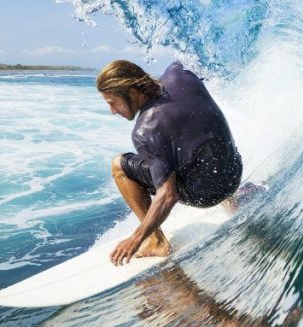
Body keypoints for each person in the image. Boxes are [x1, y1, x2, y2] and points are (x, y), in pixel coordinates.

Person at [97, 59, 243, 265]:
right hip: (233, 174)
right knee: (191, 136)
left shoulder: (144, 131)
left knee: (118, 165)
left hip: (206, 195)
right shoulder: (179, 74)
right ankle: (233, 200)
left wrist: (135, 238)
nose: (112, 110)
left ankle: (156, 242)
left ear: (131, 93)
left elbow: (167, 195)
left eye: (112, 102)